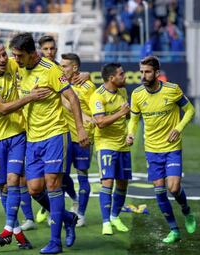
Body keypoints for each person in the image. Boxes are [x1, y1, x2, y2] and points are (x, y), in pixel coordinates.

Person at [10, 33, 89, 254]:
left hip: (55, 134)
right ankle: (68, 218)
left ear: (32, 54)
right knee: (35, 189)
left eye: (19, 55)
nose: (15, 59)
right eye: (14, 55)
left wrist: (81, 128)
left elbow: (72, 97)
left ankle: (55, 242)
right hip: (33, 139)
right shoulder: (18, 67)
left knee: (53, 185)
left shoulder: (51, 70)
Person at [0, 39, 51, 249]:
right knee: (4, 185)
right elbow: (2, 109)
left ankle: (9, 227)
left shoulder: (12, 62)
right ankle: (17, 233)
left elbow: (37, 61)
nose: (3, 59)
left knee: (14, 180)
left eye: (3, 54)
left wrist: (77, 74)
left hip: (18, 133)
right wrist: (30, 98)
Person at [126, 56, 197, 244]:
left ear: (157, 73)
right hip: (151, 149)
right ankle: (174, 230)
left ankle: (187, 210)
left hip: (172, 147)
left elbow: (190, 110)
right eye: (141, 71)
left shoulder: (172, 90)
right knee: (159, 192)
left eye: (147, 72)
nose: (143, 75)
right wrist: (131, 134)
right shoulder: (137, 95)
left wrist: (178, 128)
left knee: (173, 187)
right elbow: (133, 120)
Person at [36, 35, 90, 224]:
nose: (50, 52)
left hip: (69, 133)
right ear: (39, 50)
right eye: (46, 49)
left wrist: (87, 74)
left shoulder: (60, 69)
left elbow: (69, 95)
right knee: (55, 175)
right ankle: (49, 207)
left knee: (74, 175)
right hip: (51, 133)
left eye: (52, 49)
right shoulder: (33, 69)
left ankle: (76, 209)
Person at [89, 63, 131, 235]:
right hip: (105, 143)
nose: (125, 77)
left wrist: (128, 114)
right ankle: (106, 222)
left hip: (123, 144)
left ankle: (115, 216)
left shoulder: (122, 91)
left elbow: (127, 114)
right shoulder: (97, 97)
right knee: (107, 181)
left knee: (122, 183)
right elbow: (100, 123)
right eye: (121, 74)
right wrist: (121, 113)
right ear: (111, 78)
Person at [60, 53, 96, 227]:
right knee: (62, 176)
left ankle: (81, 214)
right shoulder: (60, 84)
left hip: (83, 138)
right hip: (64, 138)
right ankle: (74, 199)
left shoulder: (88, 86)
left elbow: (95, 115)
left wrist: (87, 124)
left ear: (75, 68)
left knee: (82, 176)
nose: (61, 69)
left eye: (65, 66)